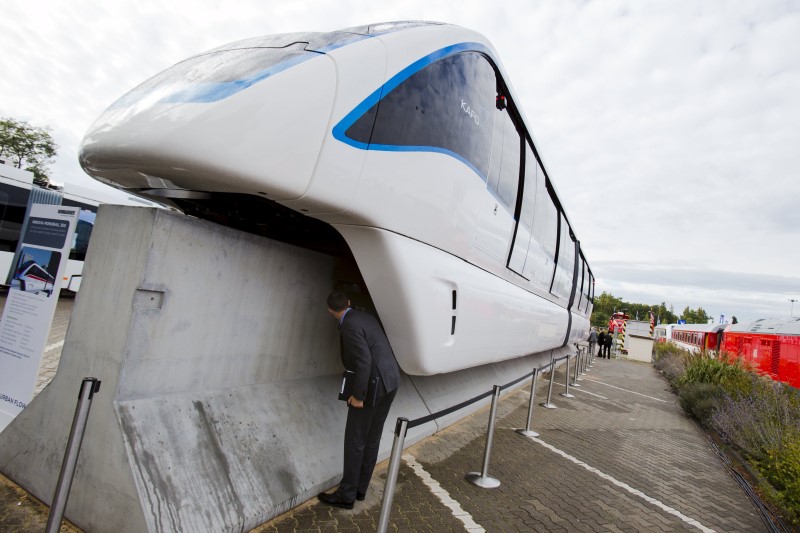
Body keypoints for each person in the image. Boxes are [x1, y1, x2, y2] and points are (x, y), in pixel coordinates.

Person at [318, 291, 401, 510]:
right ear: (349, 303)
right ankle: (360, 489)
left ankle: (346, 496)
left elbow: (364, 361)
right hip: (390, 382)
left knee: (355, 440)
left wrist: (358, 396)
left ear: (330, 311)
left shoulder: (349, 326)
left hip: (373, 386)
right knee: (372, 437)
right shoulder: (366, 316)